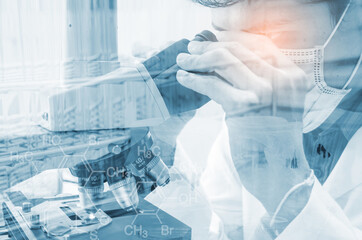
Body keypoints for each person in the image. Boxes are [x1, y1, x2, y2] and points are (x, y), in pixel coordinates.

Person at [146, 0, 362, 239]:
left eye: (270, 34)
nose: (243, 60)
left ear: (356, 15)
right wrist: (158, 148)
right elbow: (214, 233)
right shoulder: (251, 128)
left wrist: (289, 190)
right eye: (226, 37)